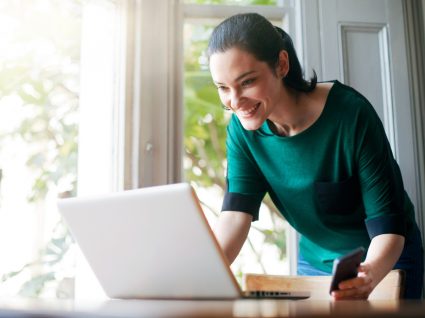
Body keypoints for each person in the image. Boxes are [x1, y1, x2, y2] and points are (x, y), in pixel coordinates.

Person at [207, 12, 424, 299]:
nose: (235, 102)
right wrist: (202, 275)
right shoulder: (243, 130)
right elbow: (235, 215)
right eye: (223, 88)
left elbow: (389, 226)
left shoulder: (350, 114)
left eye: (247, 82)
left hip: (387, 257)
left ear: (281, 64)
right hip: (316, 262)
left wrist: (368, 276)